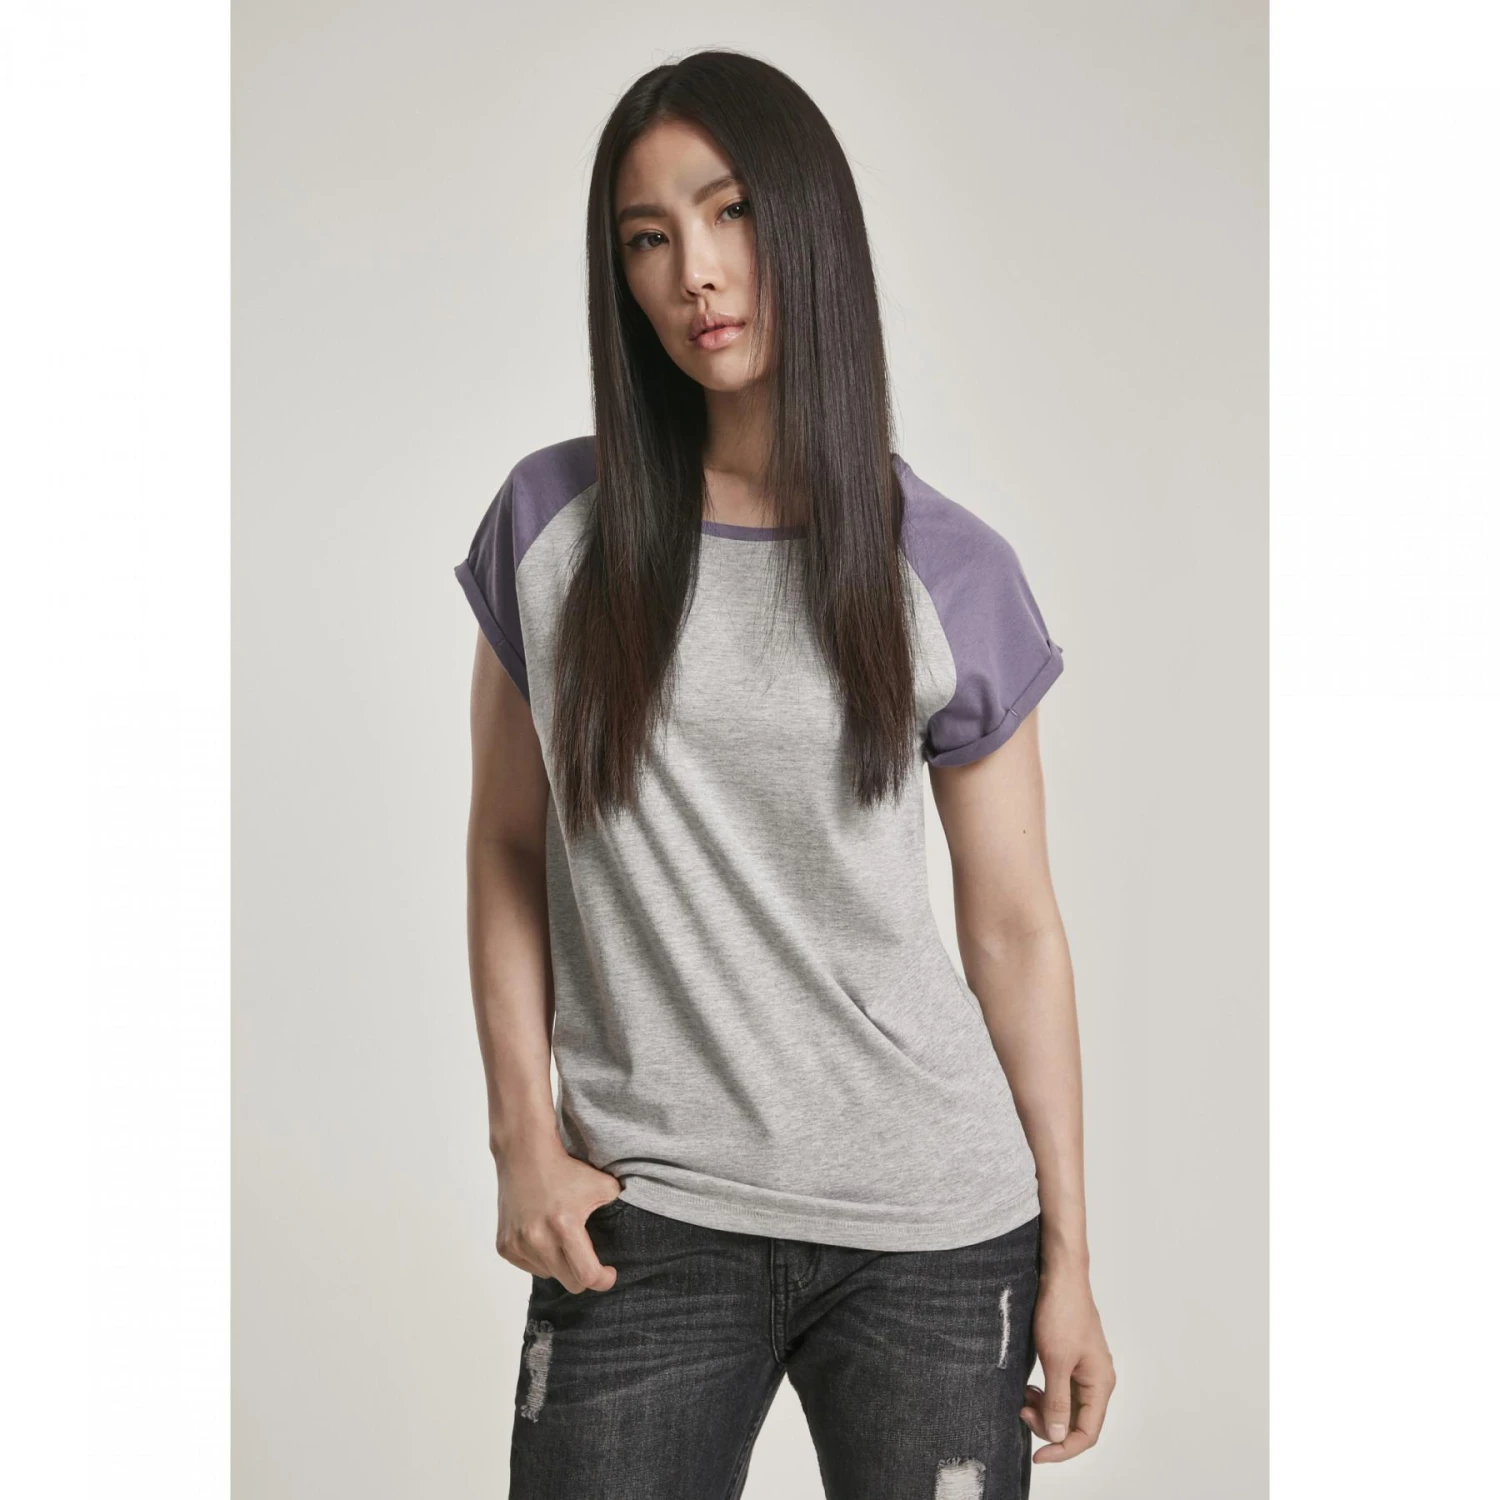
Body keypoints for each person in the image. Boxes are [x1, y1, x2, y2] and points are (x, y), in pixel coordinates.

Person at [454, 48, 1114, 1500]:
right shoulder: (551, 527)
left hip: (935, 1232)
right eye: (647, 237)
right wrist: (522, 1139)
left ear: (809, 224)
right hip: (650, 1212)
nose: (695, 269)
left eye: (731, 211)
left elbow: (1013, 928)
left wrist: (1070, 1259)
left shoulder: (950, 568)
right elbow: (508, 841)